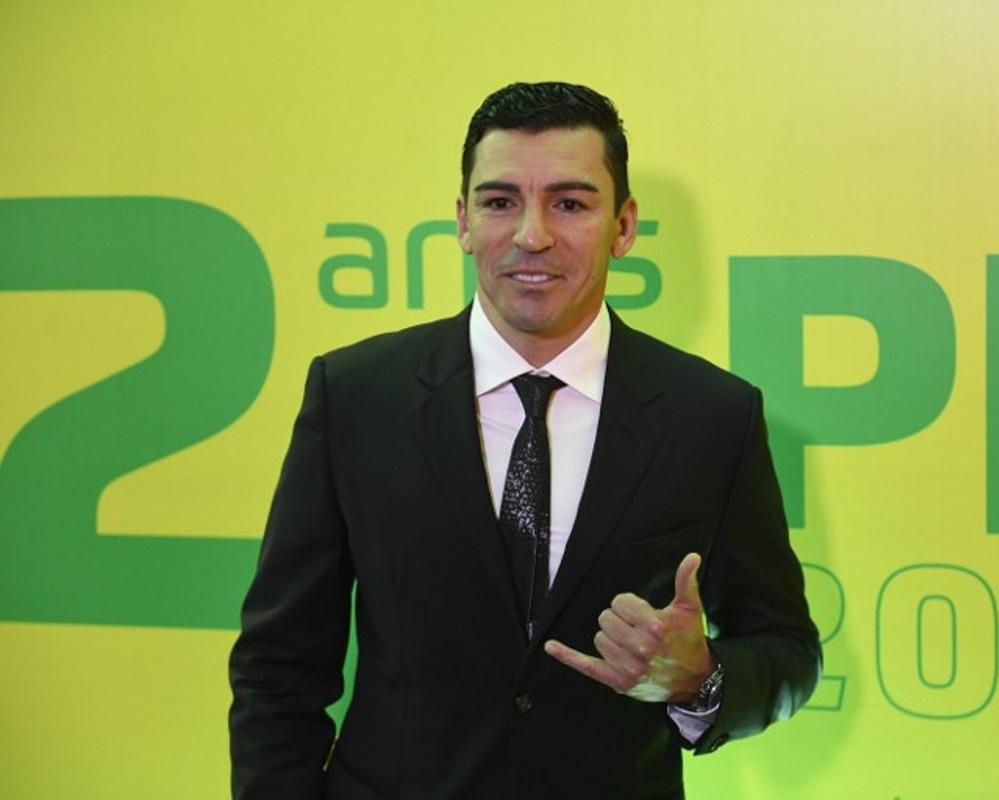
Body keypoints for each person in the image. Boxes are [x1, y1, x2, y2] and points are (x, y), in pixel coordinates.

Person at [229, 81, 821, 800]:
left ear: (624, 226)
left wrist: (702, 679)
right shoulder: (356, 395)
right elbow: (278, 667)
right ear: (463, 221)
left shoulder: (712, 416)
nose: (531, 236)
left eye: (569, 204)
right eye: (500, 201)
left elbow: (788, 650)